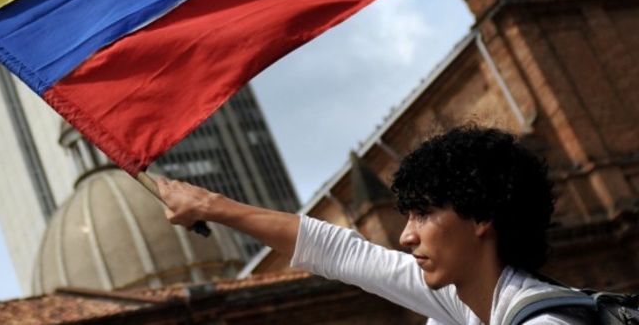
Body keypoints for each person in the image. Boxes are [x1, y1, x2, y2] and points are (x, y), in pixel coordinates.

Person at [155, 126, 587, 325]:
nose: (406, 235)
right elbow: (340, 251)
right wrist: (209, 205)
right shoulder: (468, 306)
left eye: (424, 213)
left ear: (482, 217)